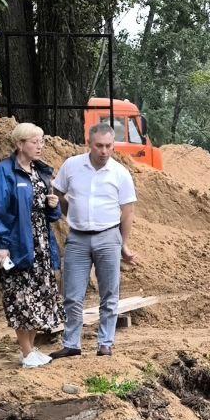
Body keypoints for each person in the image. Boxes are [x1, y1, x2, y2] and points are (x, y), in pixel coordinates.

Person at [51, 123, 137, 357]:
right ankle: (71, 344)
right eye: (99, 145)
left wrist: (123, 243)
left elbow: (127, 211)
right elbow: (57, 193)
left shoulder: (120, 173)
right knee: (72, 293)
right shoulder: (72, 166)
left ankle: (105, 343)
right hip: (78, 237)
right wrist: (68, 211)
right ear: (89, 143)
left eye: (109, 146)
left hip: (108, 235)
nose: (104, 151)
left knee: (109, 293)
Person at [0, 122, 65, 368]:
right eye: (34, 141)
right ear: (20, 144)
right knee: (21, 298)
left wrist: (53, 205)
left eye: (42, 141)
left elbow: (50, 215)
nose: (40, 146)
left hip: (41, 245)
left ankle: (30, 350)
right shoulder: (4, 172)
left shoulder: (40, 171)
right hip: (17, 244)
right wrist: (0, 244)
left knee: (39, 297)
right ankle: (26, 351)